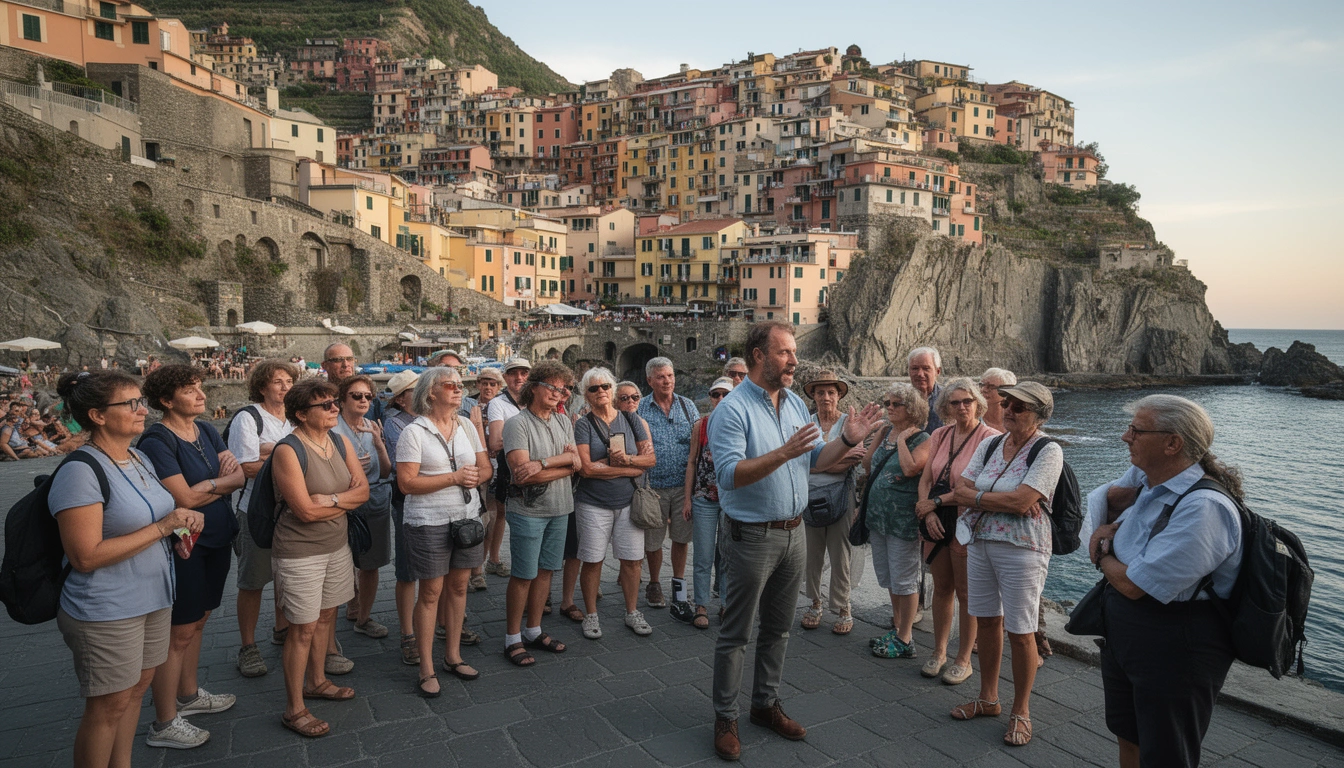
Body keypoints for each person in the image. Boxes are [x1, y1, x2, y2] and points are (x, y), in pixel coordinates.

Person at [707, 321, 882, 761]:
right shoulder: (732, 410)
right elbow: (729, 475)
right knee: (736, 633)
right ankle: (725, 718)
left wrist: (848, 439)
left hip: (794, 532)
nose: (794, 361)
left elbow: (817, 458)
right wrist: (783, 452)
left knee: (779, 629)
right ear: (759, 356)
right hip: (751, 536)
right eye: (785, 352)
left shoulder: (794, 406)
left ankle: (764, 704)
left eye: (793, 352)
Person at [50, 370, 205, 767]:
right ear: (97, 415)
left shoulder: (138, 457)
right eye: (131, 404)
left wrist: (181, 525)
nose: (142, 410)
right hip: (107, 608)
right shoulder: (80, 471)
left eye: (141, 401)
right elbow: (85, 556)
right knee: (108, 706)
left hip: (153, 597)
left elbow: (155, 515)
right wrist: (163, 527)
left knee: (135, 692)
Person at [1090, 395, 1243, 768]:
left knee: (1165, 752)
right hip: (1132, 637)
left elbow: (1135, 584)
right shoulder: (1150, 484)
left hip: (1176, 646)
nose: (1125, 437)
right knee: (1129, 734)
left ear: (1173, 443)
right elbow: (1115, 523)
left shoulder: (1204, 508)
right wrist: (1109, 528)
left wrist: (1102, 554)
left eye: (1136, 430)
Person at [945, 381, 1062, 747]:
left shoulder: (1048, 450)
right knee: (987, 620)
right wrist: (1001, 498)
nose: (1008, 409)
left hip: (1023, 548)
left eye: (1019, 406)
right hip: (980, 541)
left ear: (1039, 415)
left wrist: (980, 497)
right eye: (1008, 402)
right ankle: (988, 698)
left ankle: (1021, 710)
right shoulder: (992, 444)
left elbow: (1022, 501)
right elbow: (960, 488)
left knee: (1021, 631)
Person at [138, 365, 246, 748]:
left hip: (216, 538)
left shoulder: (206, 430)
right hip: (185, 545)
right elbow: (182, 497)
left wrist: (209, 484)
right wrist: (221, 483)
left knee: (199, 620)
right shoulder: (157, 440)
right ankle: (164, 721)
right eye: (190, 390)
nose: (201, 395)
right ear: (166, 400)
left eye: (200, 387)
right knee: (179, 630)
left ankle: (188, 694)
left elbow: (240, 477)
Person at [271, 378, 369, 738]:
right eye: (324, 404)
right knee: (302, 628)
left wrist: (330, 500)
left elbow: (364, 491)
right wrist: (344, 502)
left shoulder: (339, 442)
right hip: (300, 552)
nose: (334, 408)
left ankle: (316, 681)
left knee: (326, 617)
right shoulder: (288, 450)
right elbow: (303, 511)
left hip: (337, 546)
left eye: (334, 402)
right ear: (301, 414)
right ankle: (294, 708)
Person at [396, 367, 492, 696]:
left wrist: (475, 477)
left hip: (465, 518)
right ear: (431, 392)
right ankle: (426, 667)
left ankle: (453, 655)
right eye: (450, 385)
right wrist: (454, 478)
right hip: (428, 521)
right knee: (431, 593)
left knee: (460, 587)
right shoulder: (414, 432)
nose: (458, 389)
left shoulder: (465, 426)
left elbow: (485, 469)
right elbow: (406, 483)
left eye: (460, 384)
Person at [914, 378, 1000, 684]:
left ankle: (964, 659)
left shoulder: (990, 438)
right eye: (955, 402)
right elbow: (926, 478)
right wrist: (927, 509)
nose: (962, 407)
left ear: (978, 403)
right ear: (946, 407)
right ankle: (939, 651)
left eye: (968, 401)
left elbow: (976, 488)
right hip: (936, 519)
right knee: (941, 588)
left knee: (966, 593)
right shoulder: (940, 434)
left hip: (967, 522)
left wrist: (935, 502)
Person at [500, 360, 578, 667]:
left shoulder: (563, 421)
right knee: (523, 574)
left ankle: (533, 630)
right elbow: (522, 475)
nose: (559, 393)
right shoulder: (517, 424)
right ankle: (512, 638)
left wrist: (543, 463)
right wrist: (564, 464)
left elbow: (576, 463)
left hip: (561, 507)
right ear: (534, 388)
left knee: (546, 571)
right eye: (552, 387)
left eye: (563, 388)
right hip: (529, 510)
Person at [572, 367, 657, 639]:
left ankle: (632, 611)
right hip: (593, 503)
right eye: (594, 388)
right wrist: (630, 468)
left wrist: (626, 461)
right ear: (586, 394)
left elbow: (650, 460)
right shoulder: (583, 424)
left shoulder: (632, 420)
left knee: (632, 561)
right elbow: (585, 469)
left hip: (628, 501)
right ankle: (591, 614)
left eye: (605, 386)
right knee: (592, 560)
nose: (601, 392)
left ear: (613, 389)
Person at [229, 359, 298, 679]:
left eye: (289, 381)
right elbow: (244, 467)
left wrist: (270, 452)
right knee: (252, 581)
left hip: (289, 511)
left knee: (286, 576)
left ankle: (282, 629)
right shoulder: (249, 417)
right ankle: (247, 645)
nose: (285, 387)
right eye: (278, 381)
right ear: (261, 387)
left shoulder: (294, 417)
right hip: (255, 510)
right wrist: (287, 460)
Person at [863, 383, 932, 659]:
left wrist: (902, 440)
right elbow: (868, 463)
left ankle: (906, 637)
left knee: (905, 578)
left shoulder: (923, 438)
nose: (889, 408)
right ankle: (897, 626)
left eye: (896, 404)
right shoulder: (884, 431)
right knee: (889, 575)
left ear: (911, 408)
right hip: (878, 517)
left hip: (903, 520)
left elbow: (910, 468)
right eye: (887, 403)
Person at [800, 370, 866, 635]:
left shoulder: (849, 423)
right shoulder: (805, 423)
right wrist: (837, 458)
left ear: (839, 396)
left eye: (831, 392)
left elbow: (855, 458)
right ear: (813, 396)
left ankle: (842, 606)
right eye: (820, 392)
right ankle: (814, 602)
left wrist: (817, 464)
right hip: (809, 495)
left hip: (841, 494)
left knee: (841, 553)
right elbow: (799, 460)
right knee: (811, 553)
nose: (825, 397)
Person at [636, 357, 699, 619]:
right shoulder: (640, 408)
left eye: (670, 376)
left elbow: (697, 441)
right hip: (653, 487)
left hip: (684, 487)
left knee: (681, 539)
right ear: (650, 380)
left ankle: (678, 583)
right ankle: (653, 583)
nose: (667, 381)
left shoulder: (687, 405)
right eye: (661, 377)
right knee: (653, 540)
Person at [332, 375, 393, 640]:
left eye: (368, 396)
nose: (364, 400)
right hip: (342, 504)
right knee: (341, 563)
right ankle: (345, 608)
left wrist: (379, 445)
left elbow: (387, 471)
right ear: (342, 400)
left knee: (371, 563)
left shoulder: (372, 426)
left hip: (374, 501)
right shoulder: (332, 428)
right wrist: (351, 469)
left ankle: (364, 617)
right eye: (356, 396)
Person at [682, 376, 733, 630]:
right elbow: (692, 461)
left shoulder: (738, 423)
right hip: (704, 497)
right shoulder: (701, 425)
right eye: (715, 394)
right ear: (710, 398)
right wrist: (687, 498)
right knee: (703, 555)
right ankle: (701, 604)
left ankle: (725, 603)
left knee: (727, 555)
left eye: (726, 394)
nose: (720, 399)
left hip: (731, 499)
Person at [380, 370, 422, 665]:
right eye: (415, 391)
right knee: (407, 568)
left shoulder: (432, 418)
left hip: (435, 498)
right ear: (400, 399)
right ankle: (408, 634)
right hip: (408, 501)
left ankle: (439, 622)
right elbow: (403, 466)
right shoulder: (394, 423)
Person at [485, 358, 532, 578]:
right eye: (514, 373)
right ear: (505, 377)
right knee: (500, 513)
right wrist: (529, 444)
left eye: (524, 373)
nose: (519, 378)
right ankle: (492, 559)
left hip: (531, 467)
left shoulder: (534, 400)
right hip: (507, 468)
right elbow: (495, 442)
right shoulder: (498, 403)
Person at [475, 368, 508, 586]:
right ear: (478, 384)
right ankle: (477, 568)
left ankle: (493, 559)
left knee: (498, 513)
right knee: (484, 516)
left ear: (499, 386)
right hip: (479, 466)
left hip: (499, 466)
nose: (488, 387)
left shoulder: (504, 405)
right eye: (485, 383)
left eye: (493, 384)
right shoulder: (469, 406)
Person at [322, 343, 382, 423]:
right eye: (338, 360)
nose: (346, 365)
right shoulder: (319, 399)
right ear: (325, 365)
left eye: (349, 359)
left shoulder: (370, 397)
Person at [908, 347, 944, 433]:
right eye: (915, 368)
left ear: (937, 371)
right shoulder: (899, 400)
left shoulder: (948, 400)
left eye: (926, 368)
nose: (920, 374)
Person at [978, 368, 1017, 433]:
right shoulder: (972, 421)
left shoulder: (1018, 422)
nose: (983, 390)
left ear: (1006, 390)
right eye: (982, 385)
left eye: (991, 386)